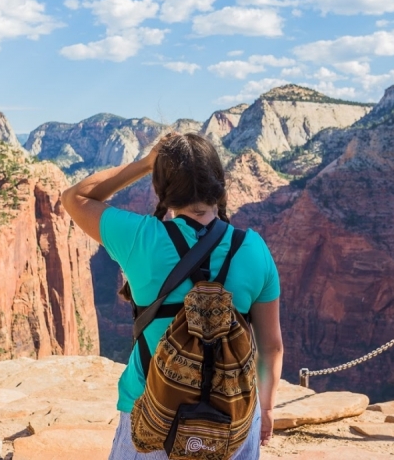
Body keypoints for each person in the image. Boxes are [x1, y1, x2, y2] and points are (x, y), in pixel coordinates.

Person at [61, 132, 283, 459]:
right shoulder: (253, 248)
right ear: (219, 185)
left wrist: (147, 163)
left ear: (161, 190)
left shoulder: (141, 238)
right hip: (234, 422)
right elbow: (271, 346)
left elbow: (74, 198)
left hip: (152, 419)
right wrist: (266, 407)